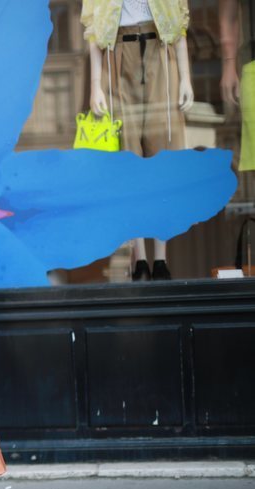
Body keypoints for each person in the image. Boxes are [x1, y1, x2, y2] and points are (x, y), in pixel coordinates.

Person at [82, 0, 193, 281]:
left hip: (160, 53)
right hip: (119, 57)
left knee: (162, 159)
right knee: (128, 163)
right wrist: (96, 86)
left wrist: (185, 78)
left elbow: (178, 26)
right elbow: (94, 32)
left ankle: (160, 259)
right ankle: (140, 258)